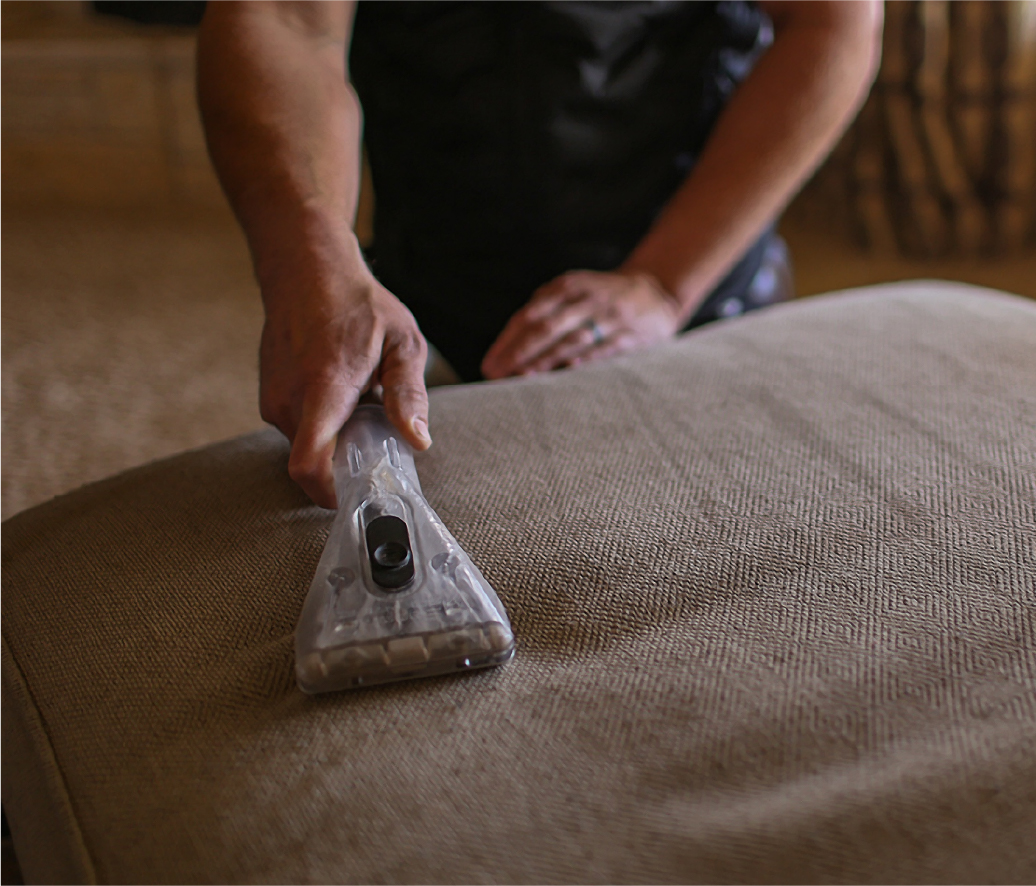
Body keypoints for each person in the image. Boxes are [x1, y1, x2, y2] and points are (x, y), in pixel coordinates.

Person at [197, 0, 883, 509]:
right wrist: (312, 257)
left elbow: (834, 20)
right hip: (434, 271)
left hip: (695, 276)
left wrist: (662, 283)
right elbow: (285, 17)